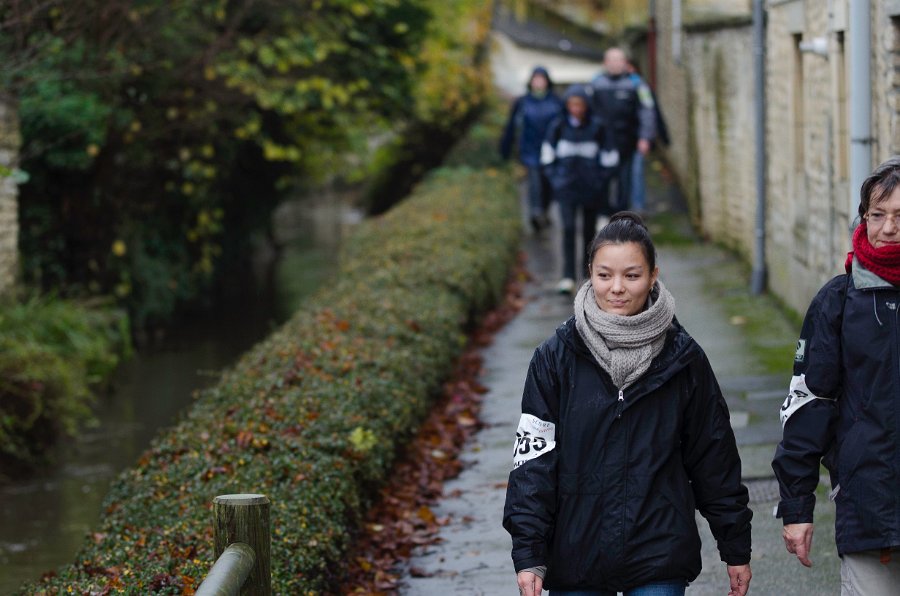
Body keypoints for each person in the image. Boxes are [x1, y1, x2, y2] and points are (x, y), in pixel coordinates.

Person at [503, 212, 753, 596]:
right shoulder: (555, 358)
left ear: (653, 276)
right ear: (590, 273)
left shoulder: (683, 359)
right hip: (576, 555)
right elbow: (533, 463)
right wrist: (529, 552)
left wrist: (735, 546)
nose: (617, 288)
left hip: (659, 552)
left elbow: (714, 457)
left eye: (632, 275)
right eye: (604, 275)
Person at [773, 156, 900, 594]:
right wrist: (797, 507)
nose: (888, 228)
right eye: (877, 215)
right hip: (868, 513)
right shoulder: (838, 302)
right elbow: (808, 406)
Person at [540, 84, 617, 295]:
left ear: (586, 106)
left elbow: (610, 158)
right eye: (572, 104)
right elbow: (546, 156)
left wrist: (599, 180)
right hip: (566, 189)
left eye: (580, 105)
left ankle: (587, 274)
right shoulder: (558, 127)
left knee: (588, 232)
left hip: (590, 189)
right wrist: (556, 180)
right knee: (567, 229)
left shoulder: (598, 127)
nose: (576, 109)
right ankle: (567, 276)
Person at [590, 48, 656, 212]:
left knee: (629, 177)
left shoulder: (637, 83)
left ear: (625, 62)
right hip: (603, 141)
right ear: (605, 63)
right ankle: (605, 212)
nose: (614, 63)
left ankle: (631, 210)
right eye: (611, 60)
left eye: (618, 60)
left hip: (630, 140)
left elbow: (647, 110)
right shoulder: (595, 84)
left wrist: (645, 137)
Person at [500, 66, 566, 231]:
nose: (538, 82)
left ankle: (545, 210)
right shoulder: (522, 102)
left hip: (551, 149)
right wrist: (505, 148)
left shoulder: (556, 101)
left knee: (548, 183)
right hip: (530, 149)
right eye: (535, 79)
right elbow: (511, 126)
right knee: (534, 182)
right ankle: (535, 212)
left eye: (541, 79)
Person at [625, 62, 670, 215]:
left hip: (637, 138)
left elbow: (650, 112)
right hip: (622, 140)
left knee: (636, 172)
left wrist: (646, 137)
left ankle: (638, 207)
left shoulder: (641, 87)